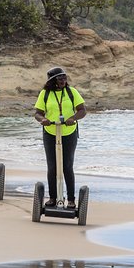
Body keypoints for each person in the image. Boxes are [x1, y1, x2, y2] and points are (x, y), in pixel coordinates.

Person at [34, 67, 87, 208]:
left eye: (64, 77)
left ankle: (71, 199)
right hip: (50, 132)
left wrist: (73, 118)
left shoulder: (72, 92)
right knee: (52, 167)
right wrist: (42, 119)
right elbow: (37, 113)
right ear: (52, 81)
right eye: (60, 78)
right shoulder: (45, 94)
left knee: (67, 166)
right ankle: (52, 197)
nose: (63, 80)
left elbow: (82, 110)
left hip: (69, 132)